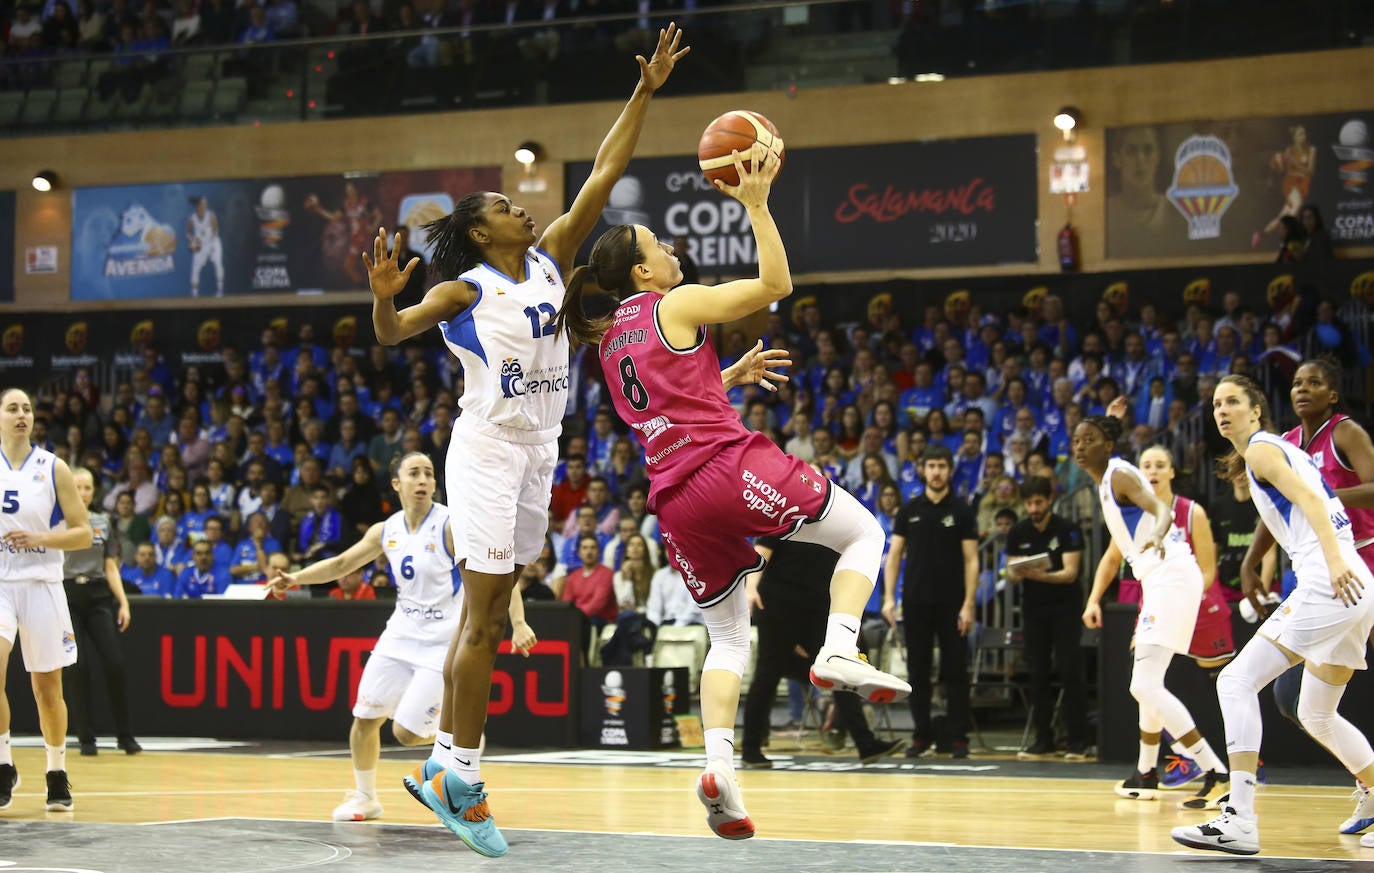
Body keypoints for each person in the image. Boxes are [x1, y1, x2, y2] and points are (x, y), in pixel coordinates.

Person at [365, 25, 689, 858]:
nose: (525, 207)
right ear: (481, 233)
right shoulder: (461, 288)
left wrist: (645, 89)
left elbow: (605, 174)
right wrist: (380, 297)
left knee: (483, 616)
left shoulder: (550, 259)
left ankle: (445, 761)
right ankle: (459, 774)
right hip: (485, 449)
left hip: (540, 449)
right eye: (507, 208)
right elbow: (395, 332)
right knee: (479, 622)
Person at [556, 149, 909, 841]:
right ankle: (839, 646)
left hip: (674, 502)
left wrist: (726, 375)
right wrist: (755, 202)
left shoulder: (606, 342)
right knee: (863, 532)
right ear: (642, 272)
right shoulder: (676, 302)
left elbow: (673, 394)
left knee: (726, 637)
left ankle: (719, 770)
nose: (672, 249)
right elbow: (777, 281)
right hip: (724, 467)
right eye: (660, 246)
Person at [268, 452, 536, 822]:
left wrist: (518, 623)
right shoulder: (386, 529)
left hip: (442, 642)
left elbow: (499, 574)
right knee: (364, 717)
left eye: (428, 473)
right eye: (414, 473)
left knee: (406, 734)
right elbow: (342, 564)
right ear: (397, 484)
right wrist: (295, 579)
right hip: (399, 635)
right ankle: (365, 798)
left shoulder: (449, 526)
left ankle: (464, 740)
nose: (424, 480)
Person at [1172, 375, 1374, 856]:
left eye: (1234, 401)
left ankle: (1239, 819)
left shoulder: (1263, 449)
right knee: (1316, 713)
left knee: (1234, 682)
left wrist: (1333, 559)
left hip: (1332, 582)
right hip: (1355, 586)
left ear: (1256, 410)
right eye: (1217, 403)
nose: (1223, 410)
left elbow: (1311, 500)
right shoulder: (1266, 452)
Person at [1240, 358, 1374, 836]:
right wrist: (1252, 559)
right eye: (1297, 383)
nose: (1302, 389)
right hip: (1318, 568)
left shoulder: (1346, 433)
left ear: (1333, 394)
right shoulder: (1285, 445)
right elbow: (1275, 509)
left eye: (1314, 382)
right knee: (1299, 702)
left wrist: (1330, 499)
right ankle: (1371, 785)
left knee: (1259, 687)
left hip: (1359, 559)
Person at [1076, 414, 1230, 807]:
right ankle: (1146, 773)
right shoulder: (1107, 480)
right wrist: (1111, 418)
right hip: (1161, 579)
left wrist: (1161, 529)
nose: (1079, 446)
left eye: (1088, 439)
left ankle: (1213, 770)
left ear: (1107, 446)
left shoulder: (1120, 474)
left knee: (1142, 685)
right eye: (1076, 440)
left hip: (1171, 576)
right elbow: (1114, 556)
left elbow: (1160, 510)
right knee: (1149, 682)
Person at [0, 388, 93, 813]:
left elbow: (84, 533)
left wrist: (39, 537)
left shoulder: (53, 467)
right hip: (0, 582)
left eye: (27, 408)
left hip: (41, 581)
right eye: (12, 408)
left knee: (46, 689)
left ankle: (56, 770)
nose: (22, 415)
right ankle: (4, 765)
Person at [740, 536, 905, 769]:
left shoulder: (840, 516)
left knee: (839, 667)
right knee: (768, 672)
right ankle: (750, 749)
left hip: (819, 604)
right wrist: (751, 587)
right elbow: (763, 549)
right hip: (779, 602)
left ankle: (865, 744)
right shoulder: (792, 506)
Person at [882, 444, 978, 759]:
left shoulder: (962, 510)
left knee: (955, 672)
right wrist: (888, 598)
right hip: (916, 603)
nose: (936, 472)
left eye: (942, 466)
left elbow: (971, 560)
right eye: (931, 466)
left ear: (950, 470)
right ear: (923, 469)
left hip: (952, 606)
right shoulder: (909, 511)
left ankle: (958, 737)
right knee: (918, 672)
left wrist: (968, 604)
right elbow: (894, 556)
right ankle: (921, 735)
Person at [1005, 475, 1088, 760]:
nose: (1033, 508)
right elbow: (1011, 573)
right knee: (1037, 674)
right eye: (1029, 502)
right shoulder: (1018, 531)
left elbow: (1070, 573)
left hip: (1065, 610)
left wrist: (1040, 574)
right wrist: (1019, 571)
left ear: (1049, 500)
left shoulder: (1067, 529)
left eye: (1038, 501)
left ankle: (1077, 739)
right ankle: (1044, 739)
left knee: (1070, 672)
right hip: (1034, 611)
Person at [62, 468, 141, 758]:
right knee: (78, 668)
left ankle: (125, 735)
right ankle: (86, 738)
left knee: (114, 663)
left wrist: (123, 601)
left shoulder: (103, 522)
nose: (82, 492)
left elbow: (110, 566)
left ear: (94, 491)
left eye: (87, 487)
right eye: (77, 486)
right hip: (67, 594)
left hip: (98, 595)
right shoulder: (56, 521)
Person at [186, 196, 224, 298]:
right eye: (203, 204)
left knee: (218, 264)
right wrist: (192, 239)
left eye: (206, 204)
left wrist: (212, 244)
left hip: (213, 242)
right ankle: (194, 295)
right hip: (200, 245)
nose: (205, 206)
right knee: (195, 269)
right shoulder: (192, 218)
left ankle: (220, 291)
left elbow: (216, 231)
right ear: (198, 206)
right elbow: (187, 232)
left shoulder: (211, 215)